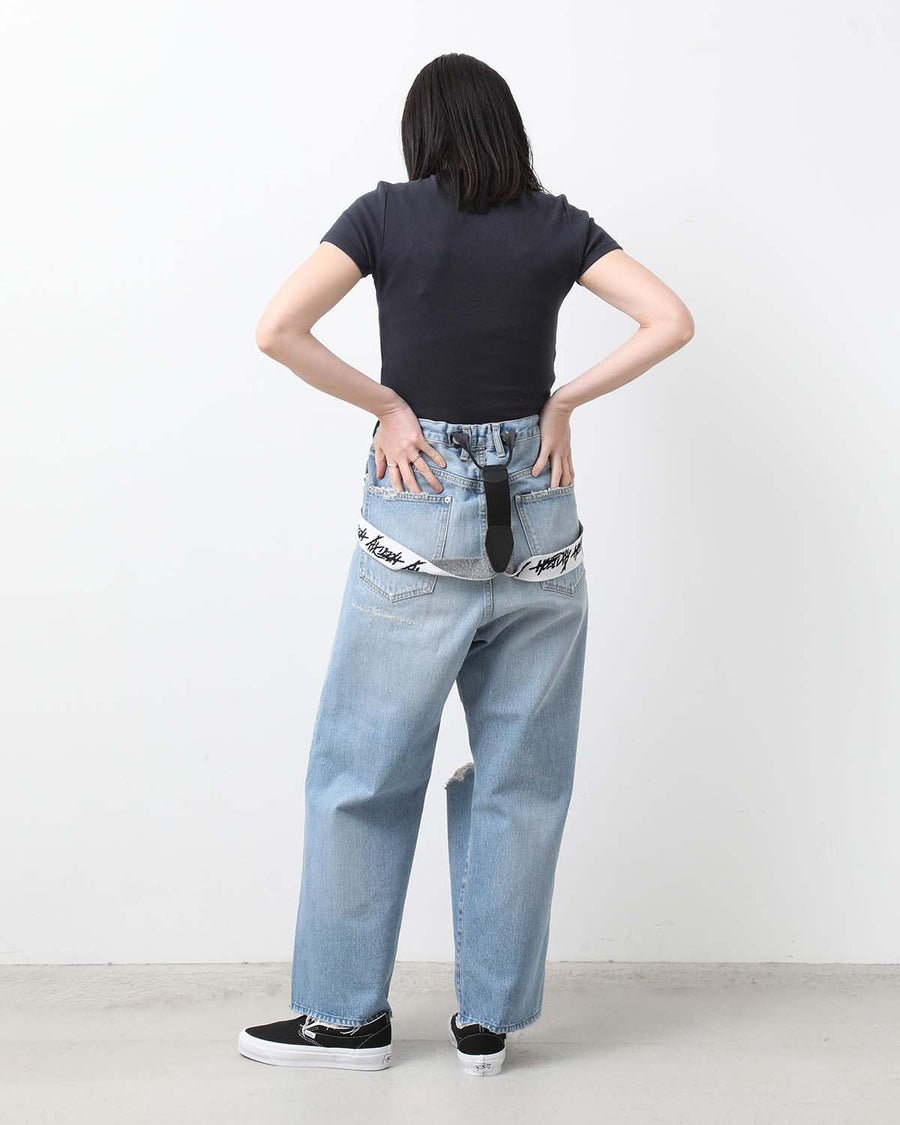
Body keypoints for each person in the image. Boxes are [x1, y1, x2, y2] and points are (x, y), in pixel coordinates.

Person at [238, 52, 694, 1078]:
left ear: (423, 133)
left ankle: (345, 1021)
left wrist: (387, 406)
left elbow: (277, 329)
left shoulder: (383, 216)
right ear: (504, 128)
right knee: (523, 781)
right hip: (540, 511)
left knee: (363, 771)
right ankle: (486, 1026)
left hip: (420, 504)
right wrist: (562, 403)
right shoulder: (558, 224)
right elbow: (671, 318)